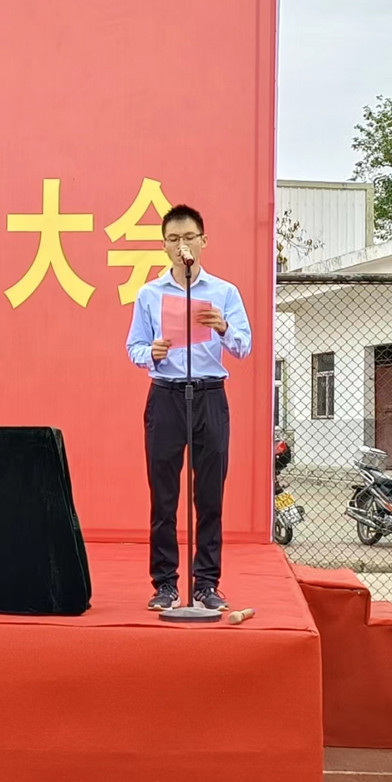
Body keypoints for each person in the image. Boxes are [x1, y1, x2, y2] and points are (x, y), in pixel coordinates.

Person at [126, 204, 252, 610]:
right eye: (174, 238)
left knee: (210, 495)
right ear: (164, 246)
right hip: (166, 395)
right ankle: (165, 584)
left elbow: (244, 347)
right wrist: (152, 352)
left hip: (210, 395)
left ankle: (206, 583)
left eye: (189, 237)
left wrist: (223, 328)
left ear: (203, 241)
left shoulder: (224, 293)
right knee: (164, 496)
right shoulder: (150, 294)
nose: (182, 245)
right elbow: (133, 347)